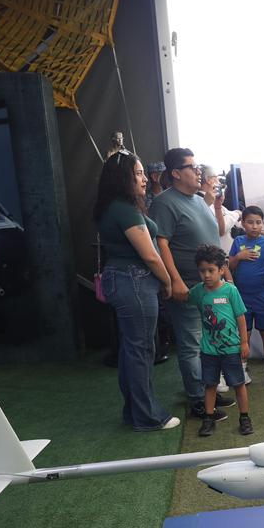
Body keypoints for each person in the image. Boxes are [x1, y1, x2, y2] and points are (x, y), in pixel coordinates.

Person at [92, 151, 180, 432]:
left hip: (123, 280)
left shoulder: (112, 207)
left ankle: (135, 412)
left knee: (133, 350)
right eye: (139, 173)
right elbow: (150, 255)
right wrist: (167, 282)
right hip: (135, 280)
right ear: (123, 178)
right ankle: (148, 416)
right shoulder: (124, 209)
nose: (144, 179)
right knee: (141, 350)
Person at [149, 147, 235, 419]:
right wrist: (174, 281)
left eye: (198, 167)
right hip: (187, 287)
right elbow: (161, 243)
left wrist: (224, 274)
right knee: (191, 345)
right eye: (191, 167)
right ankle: (198, 400)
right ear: (175, 173)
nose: (198, 172)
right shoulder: (164, 203)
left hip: (210, 286)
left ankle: (207, 391)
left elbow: (214, 238)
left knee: (209, 341)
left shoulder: (199, 200)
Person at [189, 245, 252, 436]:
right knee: (210, 384)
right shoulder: (198, 292)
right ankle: (209, 418)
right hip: (209, 351)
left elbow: (241, 318)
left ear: (222, 269)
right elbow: (185, 297)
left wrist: (243, 342)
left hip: (232, 350)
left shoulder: (230, 291)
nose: (206, 275)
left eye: (211, 270)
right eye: (202, 271)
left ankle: (244, 418)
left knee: (238, 384)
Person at [228, 206, 264, 387]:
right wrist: (239, 257)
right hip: (242, 298)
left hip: (262, 296)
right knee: (244, 334)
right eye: (250, 222)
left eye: (258, 222)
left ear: (262, 223)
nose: (254, 226)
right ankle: (242, 370)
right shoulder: (238, 241)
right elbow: (229, 267)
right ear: (243, 223)